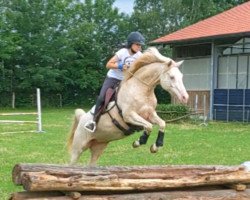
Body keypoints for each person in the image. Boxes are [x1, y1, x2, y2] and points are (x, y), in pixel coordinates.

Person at [84, 31, 145, 132]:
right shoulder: (122, 52)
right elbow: (108, 64)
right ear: (131, 44)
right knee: (102, 97)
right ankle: (93, 121)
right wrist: (120, 66)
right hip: (113, 78)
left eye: (140, 45)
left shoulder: (139, 55)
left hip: (126, 80)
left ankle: (136, 121)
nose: (139, 47)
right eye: (137, 44)